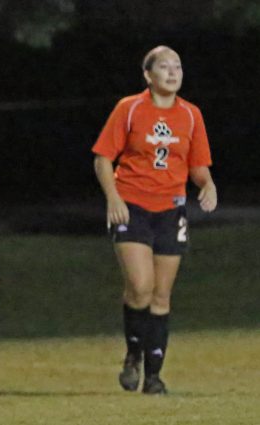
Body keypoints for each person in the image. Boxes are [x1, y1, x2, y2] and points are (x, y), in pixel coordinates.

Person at [92, 46, 217, 395]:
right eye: (164, 66)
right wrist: (113, 198)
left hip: (170, 210)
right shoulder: (129, 108)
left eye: (177, 65)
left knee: (161, 295)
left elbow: (198, 167)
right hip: (131, 206)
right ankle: (133, 354)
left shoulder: (191, 115)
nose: (173, 72)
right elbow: (103, 159)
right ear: (148, 75)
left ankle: (153, 376)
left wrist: (208, 185)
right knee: (141, 286)